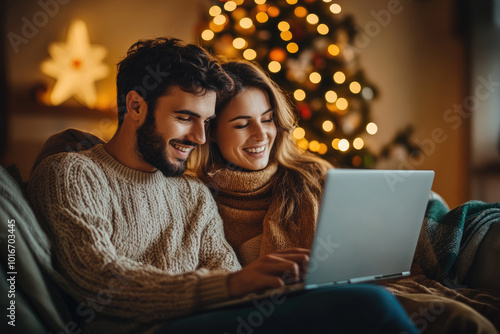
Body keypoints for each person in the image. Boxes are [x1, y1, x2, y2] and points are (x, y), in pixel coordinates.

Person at [28, 38, 420, 334]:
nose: (200, 137)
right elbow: (98, 278)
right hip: (149, 328)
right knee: (366, 307)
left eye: (206, 121)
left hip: (215, 321)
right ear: (134, 106)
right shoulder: (73, 173)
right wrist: (230, 285)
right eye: (185, 117)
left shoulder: (193, 193)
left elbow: (228, 274)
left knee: (367, 302)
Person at [193, 60, 499, 334]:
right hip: (305, 311)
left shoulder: (310, 174)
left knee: (472, 315)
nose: (261, 135)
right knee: (459, 320)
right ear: (213, 132)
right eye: (243, 124)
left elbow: (365, 240)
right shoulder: (198, 200)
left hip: (372, 289)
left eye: (268, 118)